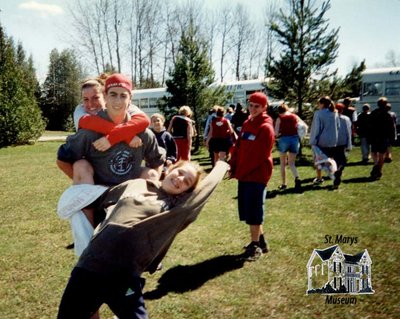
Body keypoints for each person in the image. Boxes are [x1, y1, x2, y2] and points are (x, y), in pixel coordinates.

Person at [57, 161, 229, 319]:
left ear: (186, 191)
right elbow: (101, 200)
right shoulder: (137, 184)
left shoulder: (177, 211)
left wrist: (222, 164)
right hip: (90, 266)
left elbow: (205, 190)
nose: (180, 179)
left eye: (187, 181)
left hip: (124, 277)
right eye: (180, 172)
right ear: (170, 169)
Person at [57, 74, 166, 254]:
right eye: (113, 94)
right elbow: (62, 159)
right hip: (98, 195)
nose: (117, 100)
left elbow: (157, 161)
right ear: (106, 97)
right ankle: (87, 248)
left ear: (130, 100)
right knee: (80, 165)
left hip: (128, 196)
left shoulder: (143, 134)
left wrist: (154, 187)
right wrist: (85, 183)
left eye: (123, 95)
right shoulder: (88, 133)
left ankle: (149, 246)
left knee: (152, 174)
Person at [229, 92, 275, 261]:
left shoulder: (266, 127)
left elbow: (259, 156)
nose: (253, 109)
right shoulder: (247, 123)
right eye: (251, 105)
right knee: (249, 210)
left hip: (257, 175)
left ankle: (255, 247)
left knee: (255, 210)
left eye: (257, 106)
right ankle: (261, 242)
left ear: (264, 108)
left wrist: (240, 170)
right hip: (244, 174)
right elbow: (238, 147)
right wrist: (233, 165)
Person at [309, 96, 341, 188]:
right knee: (330, 159)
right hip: (333, 141)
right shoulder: (334, 113)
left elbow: (316, 128)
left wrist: (313, 140)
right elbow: (338, 126)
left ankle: (319, 177)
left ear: (322, 104)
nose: (318, 105)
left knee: (319, 159)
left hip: (321, 140)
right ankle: (335, 173)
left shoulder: (318, 114)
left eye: (319, 103)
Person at [274, 103, 301, 191]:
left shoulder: (280, 118)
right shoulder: (294, 116)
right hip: (295, 139)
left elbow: (276, 133)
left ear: (279, 112)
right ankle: (297, 178)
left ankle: (284, 183)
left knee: (283, 163)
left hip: (284, 139)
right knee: (292, 163)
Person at [369, 97, 396, 180]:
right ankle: (379, 169)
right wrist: (392, 138)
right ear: (386, 104)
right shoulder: (389, 115)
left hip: (374, 136)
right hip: (384, 137)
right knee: (382, 154)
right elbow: (392, 128)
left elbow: (369, 125)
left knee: (373, 152)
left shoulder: (373, 113)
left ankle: (376, 164)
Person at [333, 103, 353, 187]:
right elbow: (349, 132)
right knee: (342, 160)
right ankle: (338, 171)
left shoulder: (331, 118)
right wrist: (349, 144)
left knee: (335, 160)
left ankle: (336, 172)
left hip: (333, 142)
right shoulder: (346, 119)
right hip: (342, 142)